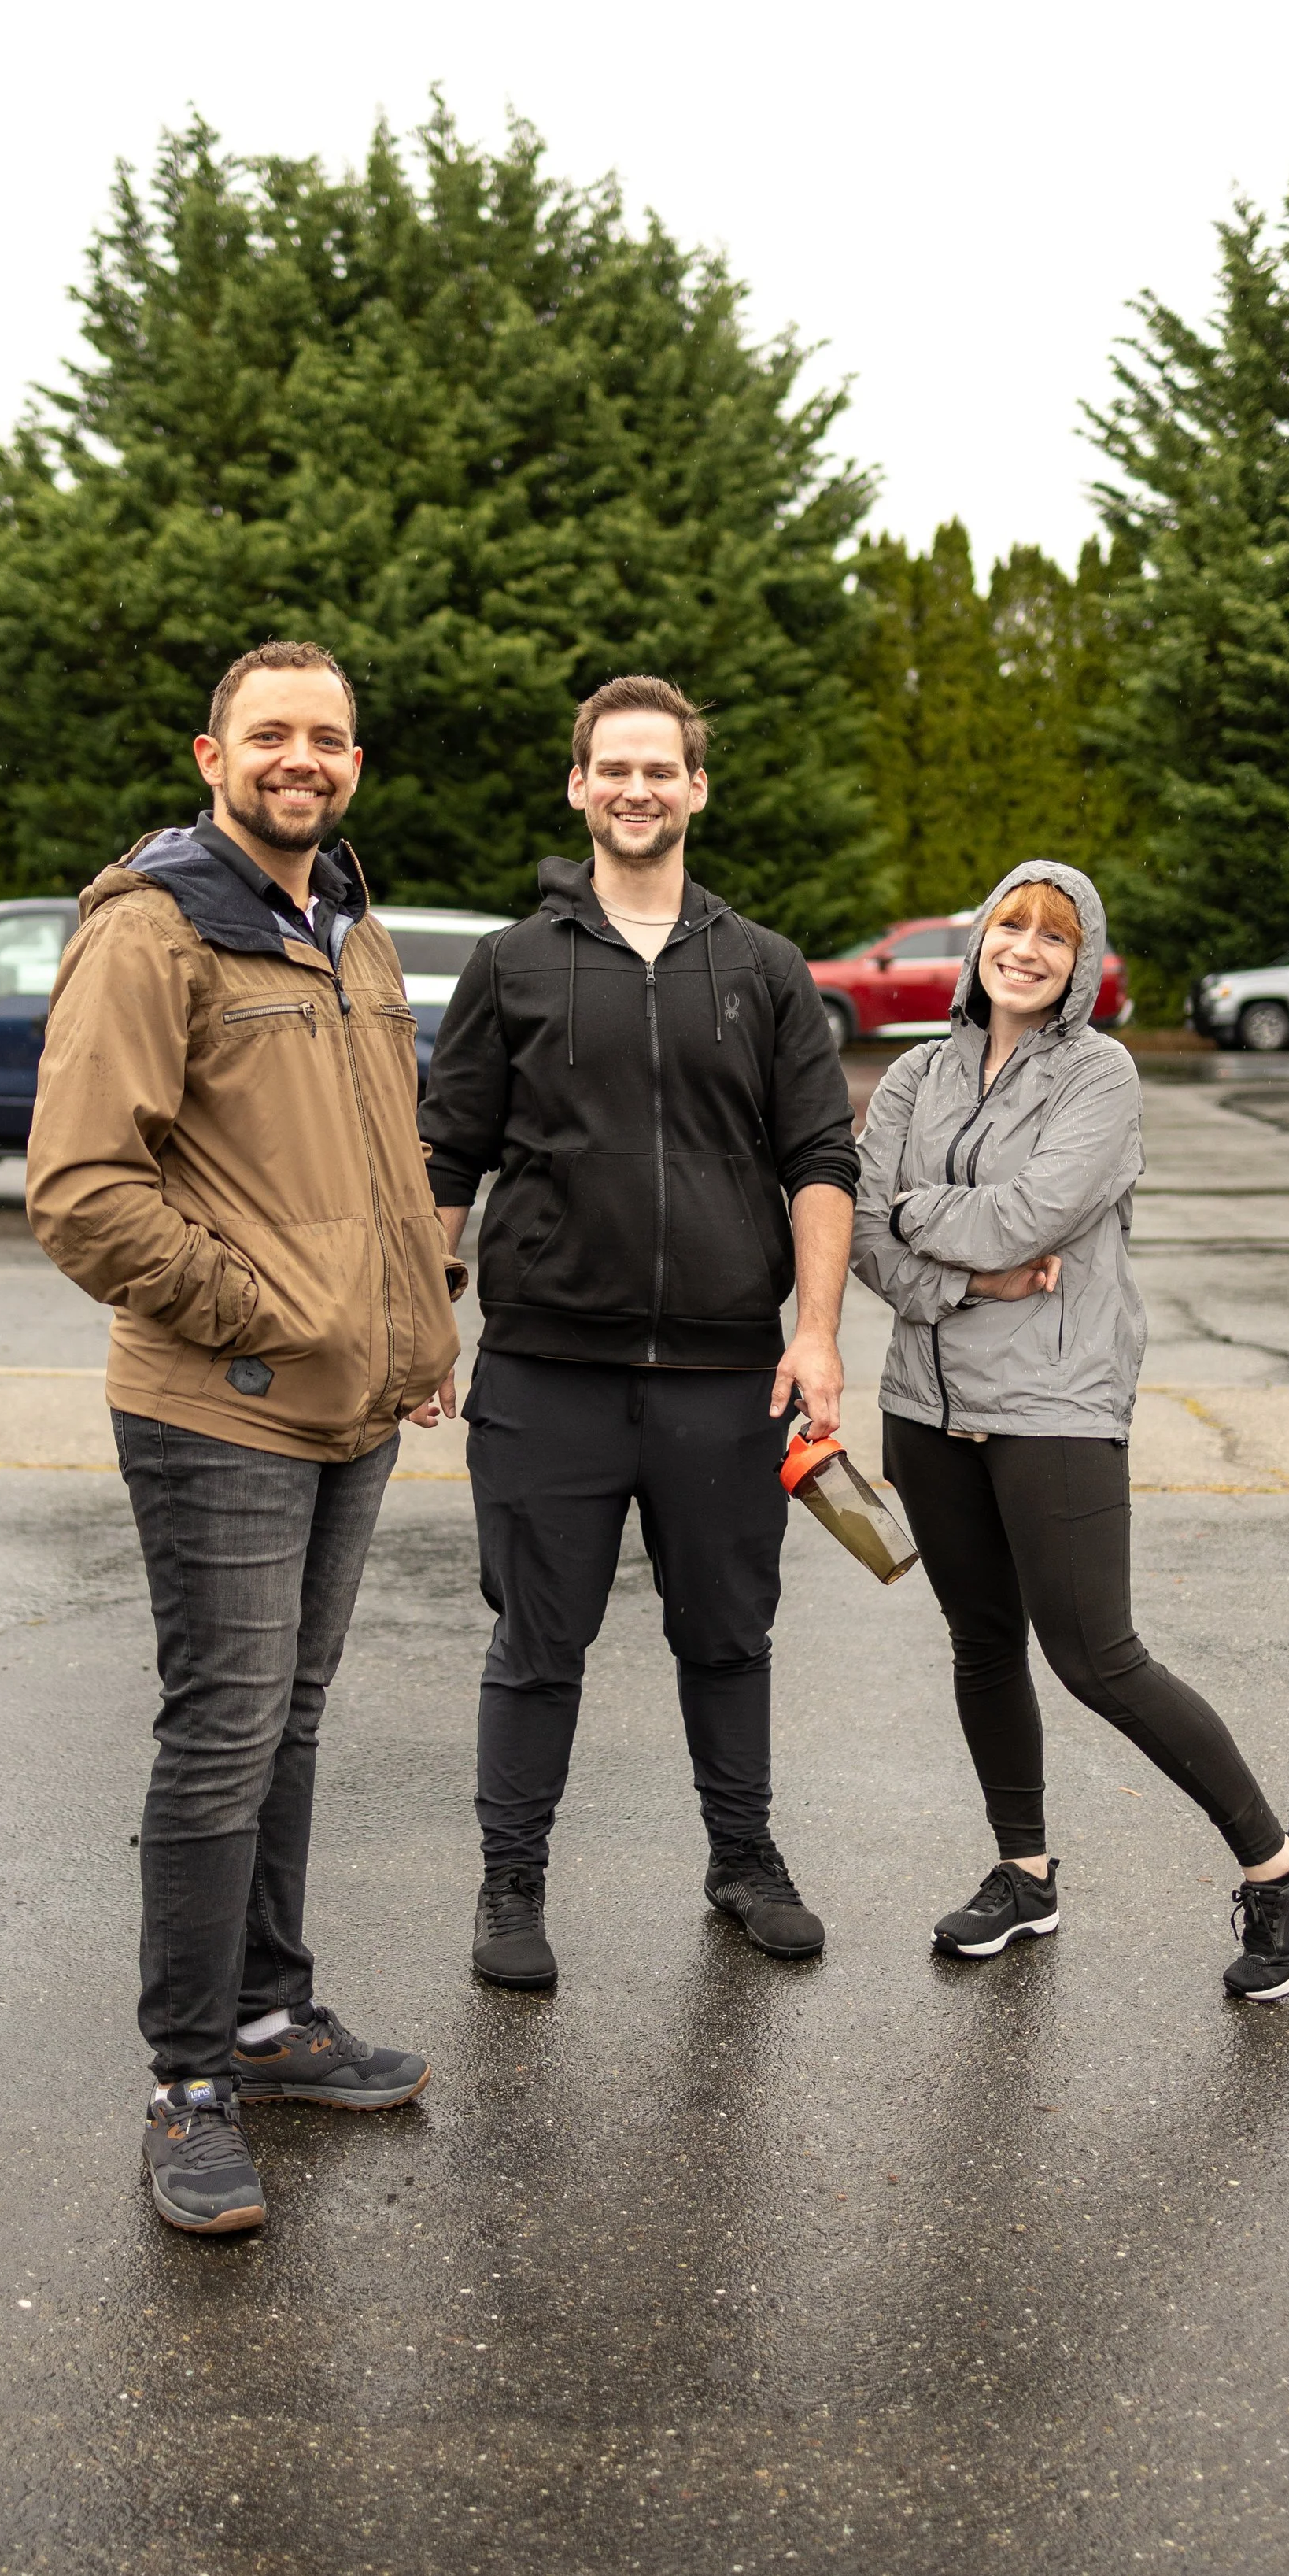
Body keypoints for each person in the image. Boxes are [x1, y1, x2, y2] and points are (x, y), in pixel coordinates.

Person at [26, 639, 460, 2237]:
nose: (302, 757)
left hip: (355, 1400)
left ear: (352, 760)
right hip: (221, 1401)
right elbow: (80, 1190)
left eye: (327, 735)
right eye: (269, 734)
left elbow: (374, 1164)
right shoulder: (152, 930)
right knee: (223, 1730)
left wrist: (411, 1329)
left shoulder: (350, 922)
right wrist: (263, 1310)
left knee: (288, 1717)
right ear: (211, 758)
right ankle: (188, 2083)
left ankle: (271, 2022)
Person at [419, 674, 860, 1990]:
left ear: (696, 789)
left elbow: (819, 1156)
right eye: (613, 768)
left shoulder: (765, 969)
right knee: (537, 1640)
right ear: (579, 786)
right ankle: (511, 1884)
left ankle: (743, 1858)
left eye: (659, 769)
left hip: (727, 1372)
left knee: (728, 1633)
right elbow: (449, 1153)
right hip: (547, 1369)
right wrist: (422, 1316)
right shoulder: (514, 965)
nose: (636, 788)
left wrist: (819, 1333)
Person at [851, 860, 1289, 2003]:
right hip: (923, 1403)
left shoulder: (1101, 1074)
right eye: (1007, 926)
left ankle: (1283, 1867)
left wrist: (923, 1219)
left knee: (1098, 1657)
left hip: (1054, 1404)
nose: (1024, 947)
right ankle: (1024, 1874)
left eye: (1052, 937)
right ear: (977, 941)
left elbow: (1030, 1213)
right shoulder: (920, 1071)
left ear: (1079, 965)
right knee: (982, 1644)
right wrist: (972, 1284)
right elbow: (866, 1234)